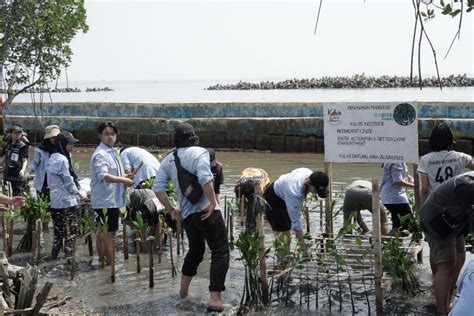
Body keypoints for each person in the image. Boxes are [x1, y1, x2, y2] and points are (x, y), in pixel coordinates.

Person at [153, 122, 229, 313]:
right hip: (207, 211)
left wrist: (172, 209)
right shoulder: (200, 152)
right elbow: (205, 177)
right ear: (194, 137)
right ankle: (215, 298)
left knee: (195, 252)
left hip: (188, 216)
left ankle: (183, 292)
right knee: (220, 251)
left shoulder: (169, 159)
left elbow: (158, 189)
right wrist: (212, 202)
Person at [420, 171, 474, 314]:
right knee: (447, 264)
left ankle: (448, 301)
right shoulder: (468, 185)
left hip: (455, 219)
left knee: (459, 257)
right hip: (437, 220)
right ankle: (442, 311)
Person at [90, 122, 134, 266]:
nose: (110, 137)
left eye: (112, 134)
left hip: (111, 200)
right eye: (106, 134)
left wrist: (125, 176)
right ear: (100, 136)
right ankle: (109, 264)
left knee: (105, 233)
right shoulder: (101, 154)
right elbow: (104, 176)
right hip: (106, 201)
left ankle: (104, 263)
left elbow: (113, 173)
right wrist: (124, 180)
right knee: (109, 234)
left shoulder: (112, 152)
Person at [263, 168, 329, 248]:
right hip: (273, 199)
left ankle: (286, 256)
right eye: (315, 191)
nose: (315, 193)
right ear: (310, 183)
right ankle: (282, 259)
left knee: (288, 229)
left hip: (285, 192)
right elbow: (297, 223)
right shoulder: (295, 193)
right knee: (283, 234)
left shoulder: (308, 172)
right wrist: (303, 247)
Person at [46, 131, 87, 259]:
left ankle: (53, 257)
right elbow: (68, 181)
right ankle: (69, 258)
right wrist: (79, 193)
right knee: (71, 231)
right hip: (67, 202)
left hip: (55, 202)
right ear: (62, 144)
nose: (72, 148)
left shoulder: (52, 157)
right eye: (70, 144)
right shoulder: (63, 159)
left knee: (58, 232)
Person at [417, 123, 473, 206]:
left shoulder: (425, 159)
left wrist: (422, 210)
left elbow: (424, 189)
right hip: (455, 204)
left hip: (435, 205)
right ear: (450, 139)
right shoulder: (461, 157)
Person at [28, 125, 61, 198]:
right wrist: (28, 172)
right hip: (43, 180)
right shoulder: (40, 149)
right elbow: (35, 162)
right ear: (49, 138)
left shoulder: (61, 148)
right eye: (53, 137)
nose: (55, 140)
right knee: (43, 202)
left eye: (57, 138)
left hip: (56, 180)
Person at [380, 163, 414, 231]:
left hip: (390, 197)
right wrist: (416, 186)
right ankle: (389, 239)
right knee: (409, 226)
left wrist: (410, 179)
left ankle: (392, 240)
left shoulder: (399, 160)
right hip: (395, 197)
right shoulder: (397, 162)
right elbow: (398, 181)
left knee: (397, 226)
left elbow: (400, 175)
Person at [2, 123, 29, 196]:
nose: (17, 135)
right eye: (15, 133)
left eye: (19, 133)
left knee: (18, 196)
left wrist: (23, 170)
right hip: (7, 175)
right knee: (7, 196)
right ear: (11, 134)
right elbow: (4, 157)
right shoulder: (7, 145)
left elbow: (25, 160)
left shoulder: (22, 146)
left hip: (18, 176)